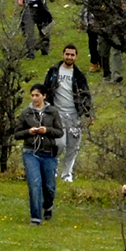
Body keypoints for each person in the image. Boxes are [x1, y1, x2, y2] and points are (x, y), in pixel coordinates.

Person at [13, 83, 66, 224]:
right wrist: (29, 132)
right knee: (34, 183)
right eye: (32, 95)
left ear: (44, 96)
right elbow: (17, 134)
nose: (34, 98)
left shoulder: (53, 112)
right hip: (30, 153)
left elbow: (60, 132)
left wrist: (46, 130)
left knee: (49, 186)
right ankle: (35, 217)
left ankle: (48, 206)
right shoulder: (26, 113)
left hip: (49, 153)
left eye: (37, 95)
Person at [42, 43, 93, 182]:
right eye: (67, 54)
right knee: (59, 144)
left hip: (74, 116)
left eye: (72, 55)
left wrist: (89, 114)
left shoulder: (79, 76)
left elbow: (85, 95)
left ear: (76, 56)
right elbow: (45, 89)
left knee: (73, 146)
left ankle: (67, 174)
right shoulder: (53, 71)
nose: (69, 57)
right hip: (56, 115)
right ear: (63, 55)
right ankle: (53, 169)